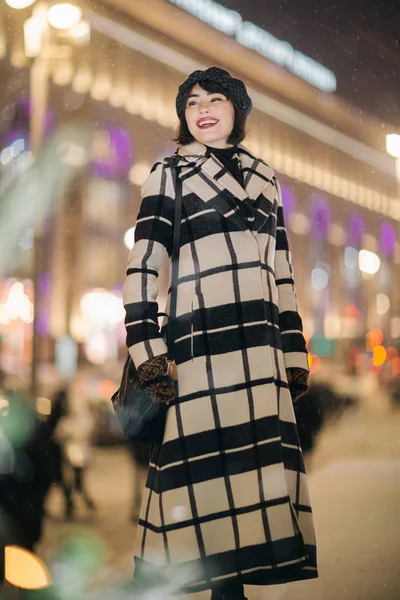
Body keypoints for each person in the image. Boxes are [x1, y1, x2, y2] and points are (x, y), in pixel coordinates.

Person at [123, 67, 317, 599]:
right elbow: (144, 263)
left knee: (250, 488)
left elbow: (280, 270)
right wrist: (147, 348)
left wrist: (293, 351)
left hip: (257, 355)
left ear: (238, 110)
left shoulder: (264, 175)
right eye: (191, 102)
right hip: (197, 350)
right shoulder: (169, 173)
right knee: (206, 492)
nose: (202, 108)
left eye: (214, 99)